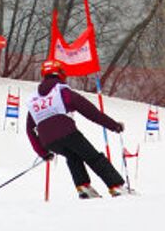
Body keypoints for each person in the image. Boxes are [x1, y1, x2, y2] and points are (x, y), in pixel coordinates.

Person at [26, 58, 127, 198]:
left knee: (72, 156)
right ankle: (116, 186)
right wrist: (113, 125)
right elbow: (91, 112)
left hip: (48, 141)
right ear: (61, 74)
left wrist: (43, 152)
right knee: (93, 157)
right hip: (67, 132)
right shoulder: (62, 92)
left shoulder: (34, 99)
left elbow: (29, 129)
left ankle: (83, 187)